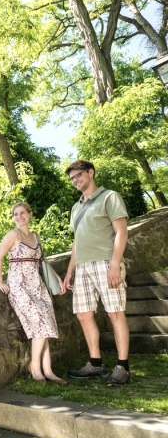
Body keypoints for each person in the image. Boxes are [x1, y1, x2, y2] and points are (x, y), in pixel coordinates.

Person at [63, 160, 130, 386]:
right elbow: (76, 242)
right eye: (72, 178)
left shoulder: (109, 197)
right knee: (83, 314)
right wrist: (69, 271)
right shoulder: (76, 207)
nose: (75, 181)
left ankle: (122, 366)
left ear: (90, 173)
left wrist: (114, 264)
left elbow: (121, 232)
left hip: (105, 262)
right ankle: (95, 364)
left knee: (114, 313)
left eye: (78, 175)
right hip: (82, 266)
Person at [0, 202, 67, 385]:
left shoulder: (35, 236)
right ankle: (35, 367)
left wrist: (57, 278)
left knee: (44, 325)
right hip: (19, 286)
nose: (19, 217)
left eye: (22, 213)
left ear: (30, 214)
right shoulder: (13, 235)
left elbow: (42, 260)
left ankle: (48, 371)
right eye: (15, 214)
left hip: (38, 286)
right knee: (41, 322)